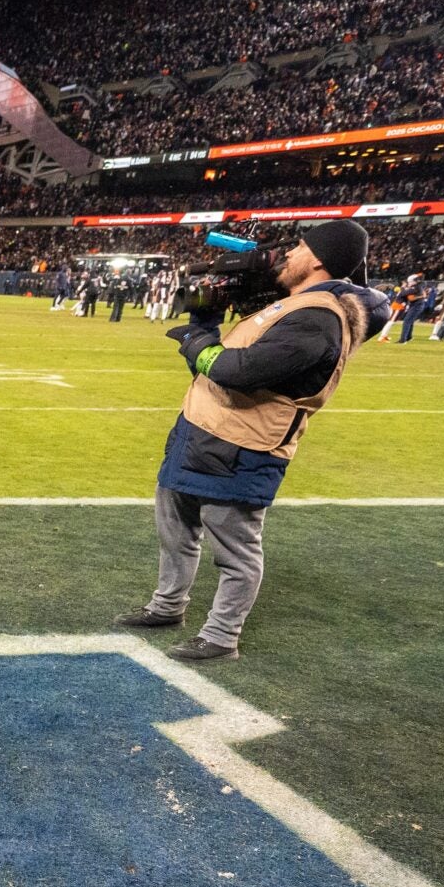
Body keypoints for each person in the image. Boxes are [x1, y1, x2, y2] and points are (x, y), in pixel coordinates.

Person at [113, 219, 389, 662]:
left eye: (299, 246)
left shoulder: (318, 319)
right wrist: (205, 320)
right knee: (175, 529)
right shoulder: (295, 305)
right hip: (199, 433)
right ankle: (168, 606)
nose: (289, 254)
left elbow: (236, 372)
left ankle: (222, 637)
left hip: (244, 447)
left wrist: (196, 340)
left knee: (235, 548)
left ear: (318, 259)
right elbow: (215, 368)